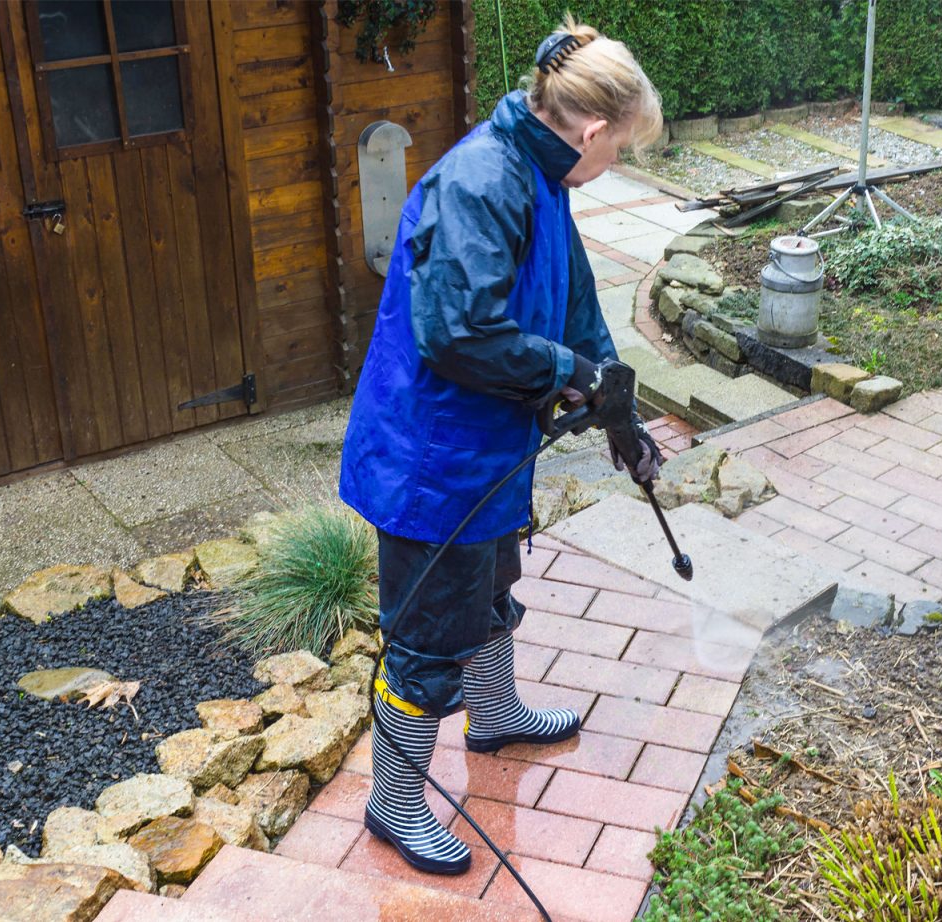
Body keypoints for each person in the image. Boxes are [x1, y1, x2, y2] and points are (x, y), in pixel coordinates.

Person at [337, 17, 665, 875]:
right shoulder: (483, 182)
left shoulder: (543, 172)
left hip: (486, 448)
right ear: (591, 130)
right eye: (620, 149)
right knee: (423, 637)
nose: (614, 165)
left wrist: (616, 396)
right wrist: (569, 372)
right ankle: (393, 804)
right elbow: (459, 334)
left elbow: (577, 302)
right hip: (432, 458)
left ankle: (497, 715)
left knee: (491, 586)